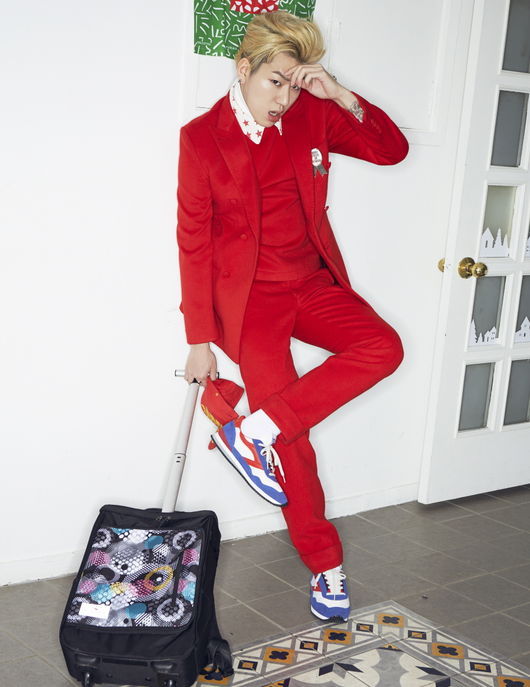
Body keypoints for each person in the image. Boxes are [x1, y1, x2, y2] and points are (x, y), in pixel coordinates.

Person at [177, 10, 409, 621]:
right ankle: (325, 565)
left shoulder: (312, 113)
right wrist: (199, 338)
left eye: (292, 82)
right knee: (295, 439)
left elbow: (392, 151)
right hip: (251, 302)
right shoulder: (201, 138)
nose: (283, 98)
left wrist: (339, 94)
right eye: (274, 81)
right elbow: (193, 241)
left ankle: (255, 430)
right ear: (244, 68)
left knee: (383, 348)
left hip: (310, 283)